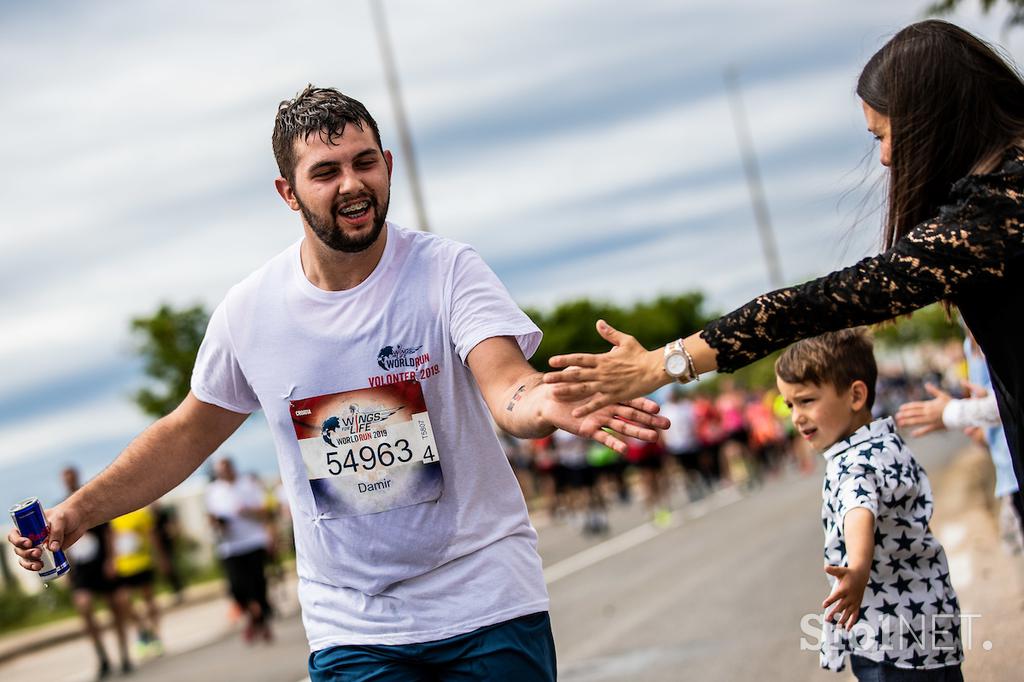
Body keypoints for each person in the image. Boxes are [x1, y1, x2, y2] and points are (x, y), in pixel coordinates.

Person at [8, 85, 668, 681]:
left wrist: (552, 400)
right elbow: (186, 435)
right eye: (326, 172)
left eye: (364, 163)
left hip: (486, 598)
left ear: (386, 163)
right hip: (356, 624)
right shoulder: (251, 312)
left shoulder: (446, 272)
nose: (352, 184)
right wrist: (77, 515)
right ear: (288, 193)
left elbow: (508, 387)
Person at [543, 19, 1024, 513]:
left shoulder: (994, 212)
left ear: (934, 121)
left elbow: (806, 308)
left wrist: (659, 364)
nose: (884, 158)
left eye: (885, 134)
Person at [776, 329, 962, 678]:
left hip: (888, 636)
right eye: (790, 405)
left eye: (806, 400)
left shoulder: (853, 464)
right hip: (933, 617)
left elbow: (858, 511)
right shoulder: (887, 443)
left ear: (855, 395)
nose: (796, 416)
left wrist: (858, 568)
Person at [60, 467, 132, 678]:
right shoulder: (61, 506)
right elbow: (62, 544)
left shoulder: (89, 502)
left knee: (116, 608)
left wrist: (112, 559)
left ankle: (124, 654)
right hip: (81, 568)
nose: (69, 481)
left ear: (76, 477)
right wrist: (66, 570)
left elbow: (110, 533)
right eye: (65, 479)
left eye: (71, 477)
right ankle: (102, 657)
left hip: (102, 563)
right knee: (84, 606)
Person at [205, 457, 273, 643]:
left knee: (257, 584)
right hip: (229, 546)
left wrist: (247, 512)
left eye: (226, 468)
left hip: (253, 541)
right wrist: (218, 523)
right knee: (236, 587)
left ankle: (261, 621)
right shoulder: (213, 490)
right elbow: (210, 517)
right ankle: (254, 617)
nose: (224, 473)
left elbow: (264, 512)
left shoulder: (248, 484)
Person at [109, 505, 165, 657]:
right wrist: (112, 561)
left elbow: (153, 536)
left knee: (149, 600)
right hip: (125, 566)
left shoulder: (142, 513)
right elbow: (113, 540)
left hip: (143, 562)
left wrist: (160, 558)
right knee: (124, 600)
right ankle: (142, 631)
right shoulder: (114, 516)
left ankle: (156, 635)